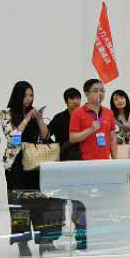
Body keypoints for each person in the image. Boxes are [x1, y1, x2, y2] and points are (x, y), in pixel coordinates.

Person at [0, 81, 56, 256]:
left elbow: (45, 136)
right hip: (16, 164)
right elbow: (12, 137)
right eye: (25, 95)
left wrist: (38, 119)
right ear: (18, 96)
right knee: (19, 205)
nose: (29, 99)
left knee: (41, 203)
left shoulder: (35, 113)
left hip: (35, 163)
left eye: (31, 95)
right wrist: (26, 119)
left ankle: (44, 240)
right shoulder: (6, 113)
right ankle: (22, 242)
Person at [67, 79, 116, 250]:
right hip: (84, 166)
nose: (100, 93)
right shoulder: (78, 113)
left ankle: (99, 237)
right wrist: (90, 130)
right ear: (87, 94)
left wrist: (115, 161)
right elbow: (73, 137)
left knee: (101, 204)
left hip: (104, 166)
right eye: (96, 90)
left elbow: (112, 138)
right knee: (81, 204)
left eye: (102, 90)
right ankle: (82, 238)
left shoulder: (108, 113)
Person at [48, 88, 84, 248]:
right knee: (60, 201)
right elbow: (46, 135)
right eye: (72, 98)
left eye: (78, 98)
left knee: (79, 201)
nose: (76, 101)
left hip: (82, 163)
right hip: (63, 164)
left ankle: (81, 235)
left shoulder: (85, 116)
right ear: (66, 101)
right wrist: (58, 148)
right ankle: (55, 235)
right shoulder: (60, 118)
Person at [109, 89, 130, 157]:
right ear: (113, 103)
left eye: (122, 98)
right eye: (116, 99)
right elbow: (111, 138)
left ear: (126, 99)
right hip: (117, 152)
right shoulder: (110, 117)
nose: (120, 101)